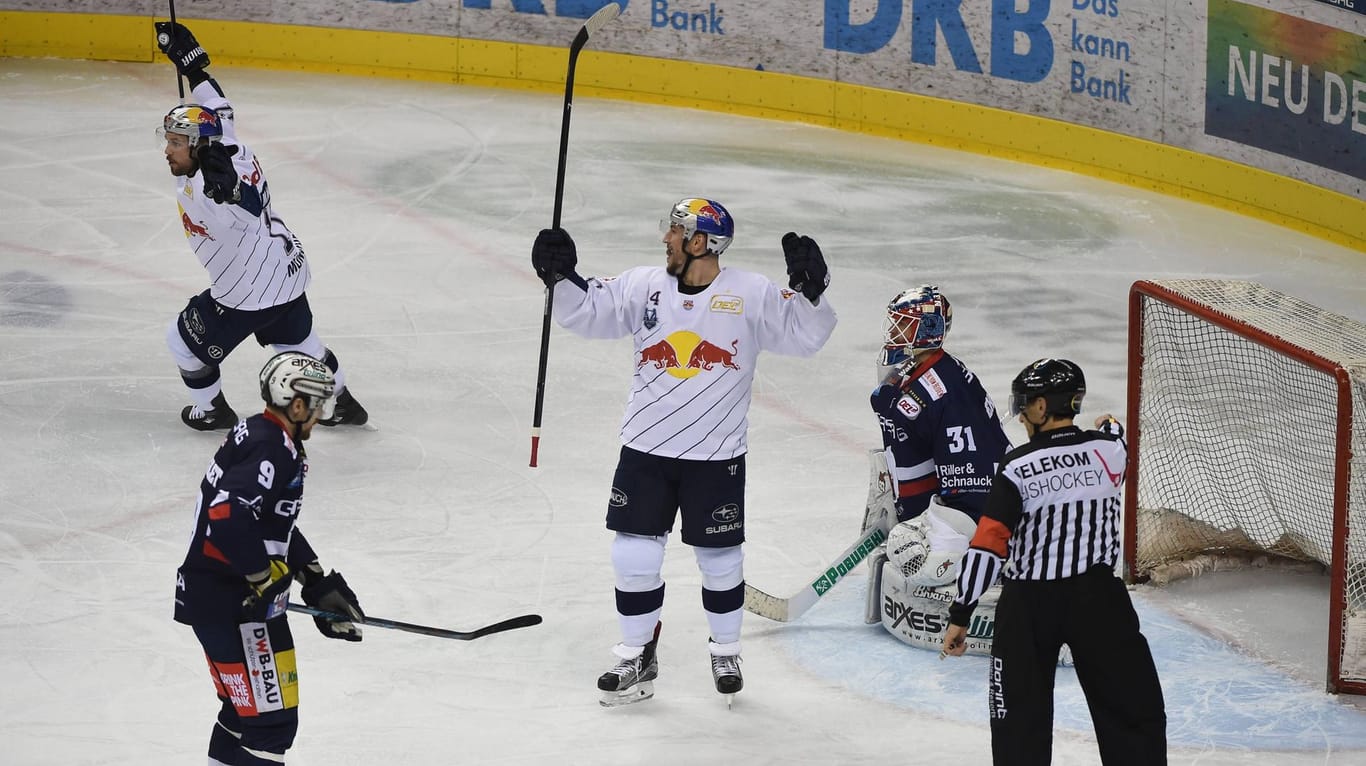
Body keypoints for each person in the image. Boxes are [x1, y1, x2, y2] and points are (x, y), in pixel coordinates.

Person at [530, 198, 837, 706]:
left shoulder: (750, 293)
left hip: (716, 456)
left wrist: (811, 292)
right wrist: (560, 276)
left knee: (720, 559)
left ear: (701, 242)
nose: (666, 239)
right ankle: (635, 653)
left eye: (676, 231)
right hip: (645, 449)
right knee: (633, 555)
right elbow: (588, 312)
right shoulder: (642, 285)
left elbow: (805, 337)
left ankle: (725, 649)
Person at [941, 359, 1167, 765]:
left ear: (1043, 407)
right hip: (1101, 602)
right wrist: (1111, 423)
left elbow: (989, 545)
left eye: (1026, 405)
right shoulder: (1109, 452)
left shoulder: (1017, 468)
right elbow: (1117, 437)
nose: (1023, 415)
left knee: (1018, 722)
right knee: (1133, 709)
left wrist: (962, 612)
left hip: (1030, 606)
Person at [154, 22, 367, 431]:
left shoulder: (209, 194)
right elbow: (219, 105)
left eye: (176, 142)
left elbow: (244, 210)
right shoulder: (229, 142)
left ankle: (213, 410)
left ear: (198, 145)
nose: (168, 150)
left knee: (181, 342)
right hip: (285, 270)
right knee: (303, 346)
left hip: (246, 293)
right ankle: (342, 403)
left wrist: (229, 190)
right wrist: (193, 67)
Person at [174, 351, 366, 765]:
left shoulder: (262, 434)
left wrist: (314, 579)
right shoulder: (272, 448)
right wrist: (261, 577)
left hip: (217, 600)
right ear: (296, 404)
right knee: (270, 725)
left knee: (245, 717)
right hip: (236, 607)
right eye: (316, 404)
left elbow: (264, 522)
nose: (319, 414)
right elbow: (226, 515)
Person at [860, 285, 1012, 651]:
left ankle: (991, 564)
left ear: (926, 330)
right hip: (966, 499)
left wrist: (951, 527)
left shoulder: (945, 388)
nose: (893, 330)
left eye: (903, 324)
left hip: (979, 505)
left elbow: (974, 473)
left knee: (911, 554)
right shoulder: (920, 372)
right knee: (903, 542)